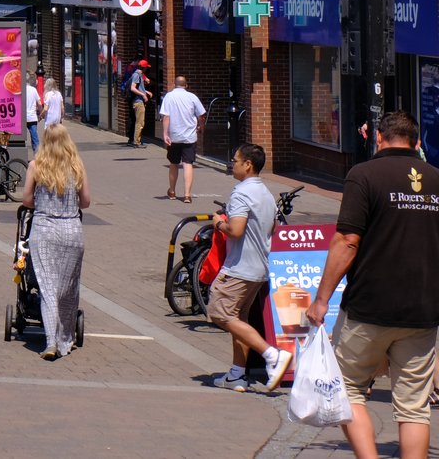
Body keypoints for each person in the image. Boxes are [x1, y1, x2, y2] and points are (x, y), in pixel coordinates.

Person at [307, 111, 439, 459]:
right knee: (414, 406)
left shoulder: (363, 175)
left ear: (378, 138)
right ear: (418, 143)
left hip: (370, 306)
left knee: (347, 388)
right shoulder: (436, 179)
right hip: (422, 310)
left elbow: (347, 241)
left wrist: (321, 300)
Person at [208, 143, 289, 392]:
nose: (232, 164)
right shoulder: (265, 192)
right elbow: (274, 227)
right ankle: (237, 374)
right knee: (239, 318)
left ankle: (272, 355)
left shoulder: (242, 194)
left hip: (240, 268)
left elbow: (236, 230)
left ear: (248, 165)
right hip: (259, 268)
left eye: (235, 160)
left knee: (219, 312)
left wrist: (219, 223)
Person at [20, 124, 91, 361]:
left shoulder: (35, 166)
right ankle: (64, 338)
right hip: (72, 232)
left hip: (44, 231)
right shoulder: (77, 167)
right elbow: (86, 202)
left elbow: (27, 199)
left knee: (48, 289)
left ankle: (51, 342)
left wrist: (42, 204)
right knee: (67, 289)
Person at [159, 75, 206, 203]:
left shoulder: (169, 96)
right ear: (186, 85)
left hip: (174, 136)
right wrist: (201, 128)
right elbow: (201, 115)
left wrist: (165, 134)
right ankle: (187, 195)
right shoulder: (192, 97)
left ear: (175, 84)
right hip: (189, 136)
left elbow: (166, 117)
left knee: (173, 163)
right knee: (188, 164)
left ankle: (172, 191)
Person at [127, 59, 151, 148]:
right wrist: (143, 95)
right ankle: (136, 142)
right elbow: (133, 88)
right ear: (144, 68)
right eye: (146, 68)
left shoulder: (139, 74)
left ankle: (137, 141)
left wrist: (146, 92)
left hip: (138, 101)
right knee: (140, 122)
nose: (147, 70)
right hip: (138, 102)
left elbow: (139, 88)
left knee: (140, 122)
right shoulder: (137, 75)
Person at [24, 75, 42, 151]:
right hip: (32, 117)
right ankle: (37, 156)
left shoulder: (21, 90)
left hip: (22, 118)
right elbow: (39, 104)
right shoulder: (33, 90)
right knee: (35, 138)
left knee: (18, 138)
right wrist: (40, 114)